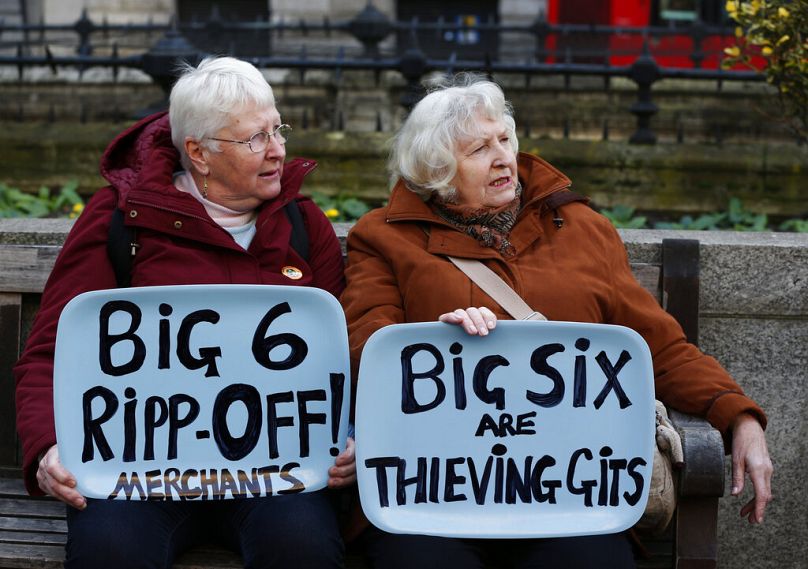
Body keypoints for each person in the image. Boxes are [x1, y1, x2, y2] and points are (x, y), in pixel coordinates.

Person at [340, 75, 773, 569]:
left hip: (566, 490)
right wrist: (432, 339)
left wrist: (738, 416)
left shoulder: (582, 228)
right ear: (439, 170)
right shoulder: (385, 236)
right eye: (479, 149)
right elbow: (364, 347)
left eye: (504, 138)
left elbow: (660, 348)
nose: (502, 157)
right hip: (436, 491)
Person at [14, 56, 355, 569]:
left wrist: (353, 438)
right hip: (140, 476)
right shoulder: (121, 221)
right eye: (255, 139)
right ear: (198, 153)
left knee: (304, 546)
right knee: (108, 551)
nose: (279, 150)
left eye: (277, 129)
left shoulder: (303, 225)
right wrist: (47, 449)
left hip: (273, 474)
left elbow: (343, 356)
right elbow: (49, 351)